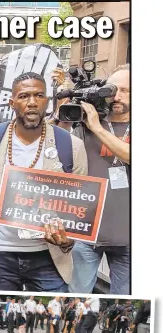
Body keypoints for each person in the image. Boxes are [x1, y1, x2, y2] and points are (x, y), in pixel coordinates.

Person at [0, 72, 88, 292]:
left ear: (48, 102)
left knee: (51, 322)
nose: (32, 102)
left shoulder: (71, 146)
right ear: (12, 103)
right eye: (24, 96)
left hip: (48, 256)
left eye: (39, 95)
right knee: (2, 323)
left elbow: (79, 208)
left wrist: (67, 239)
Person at [70, 64, 130, 295]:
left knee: (124, 298)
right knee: (76, 295)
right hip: (87, 230)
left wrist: (97, 128)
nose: (117, 96)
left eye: (126, 90)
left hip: (128, 235)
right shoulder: (85, 123)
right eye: (113, 89)